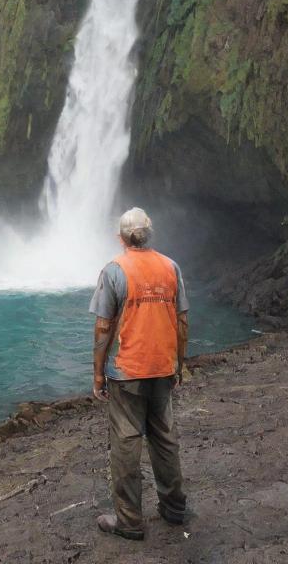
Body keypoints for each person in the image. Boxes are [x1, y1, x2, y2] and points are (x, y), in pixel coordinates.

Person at [89, 207, 189, 541]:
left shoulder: (114, 270)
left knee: (127, 442)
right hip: (163, 366)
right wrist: (180, 363)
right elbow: (182, 321)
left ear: (120, 237)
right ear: (149, 234)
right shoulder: (170, 267)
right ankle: (174, 508)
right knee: (164, 438)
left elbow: (103, 326)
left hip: (127, 371)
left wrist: (98, 374)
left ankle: (130, 521)